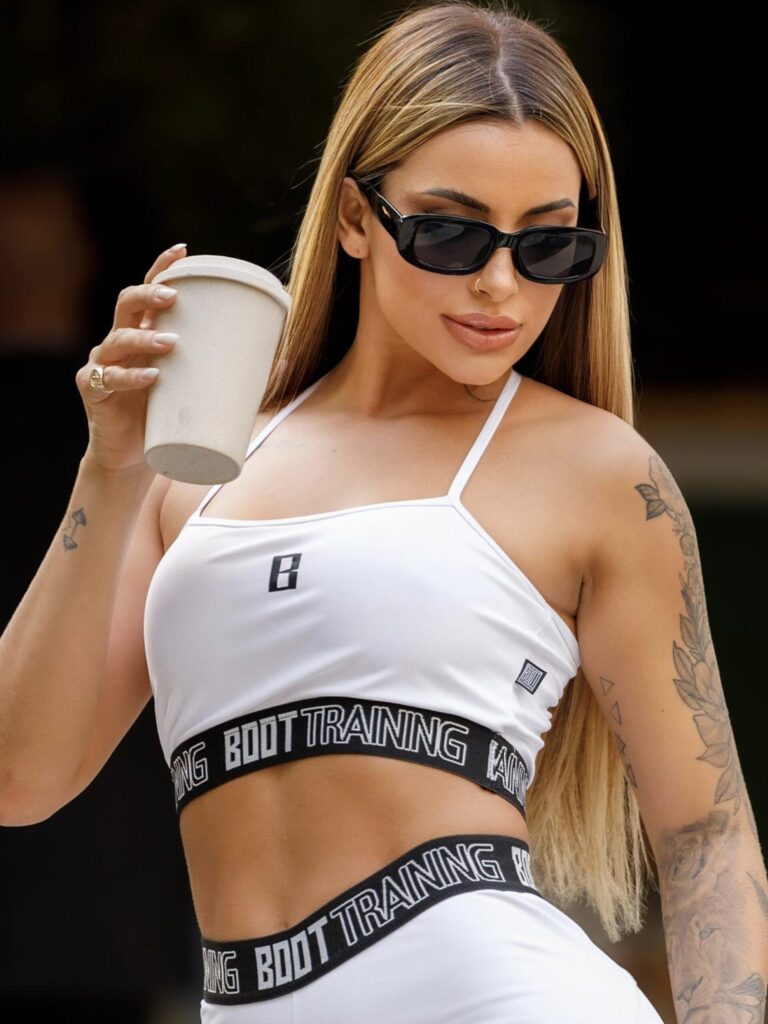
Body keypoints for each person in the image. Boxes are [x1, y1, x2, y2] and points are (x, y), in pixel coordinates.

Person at [2, 2, 765, 1022]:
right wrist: (110, 471)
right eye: (451, 232)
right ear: (355, 218)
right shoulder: (201, 460)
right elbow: (18, 778)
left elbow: (705, 833)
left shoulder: (597, 474)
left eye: (548, 245)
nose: (501, 285)